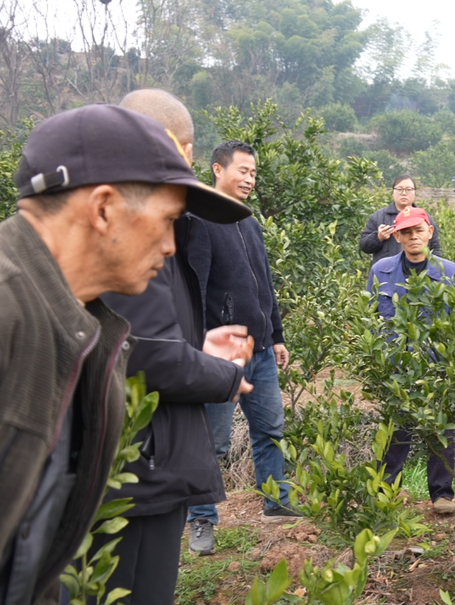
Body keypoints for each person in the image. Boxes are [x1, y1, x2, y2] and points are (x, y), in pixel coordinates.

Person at [0, 103, 242, 604]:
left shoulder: (77, 326)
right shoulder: (10, 316)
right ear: (104, 207)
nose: (173, 245)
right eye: (168, 219)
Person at [82, 90, 255, 603]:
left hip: (146, 462)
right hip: (137, 467)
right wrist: (224, 375)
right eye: (188, 147)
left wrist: (198, 346)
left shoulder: (146, 226)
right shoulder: (127, 232)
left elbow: (135, 337)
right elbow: (145, 357)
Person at [186, 141, 299, 555]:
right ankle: (201, 518)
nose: (250, 179)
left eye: (254, 173)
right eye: (243, 171)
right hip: (222, 355)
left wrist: (277, 334)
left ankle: (276, 501)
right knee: (210, 442)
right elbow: (194, 290)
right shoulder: (199, 220)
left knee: (270, 430)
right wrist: (200, 349)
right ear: (218, 169)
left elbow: (265, 285)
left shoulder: (249, 222)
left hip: (263, 350)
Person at [369, 206, 455, 515]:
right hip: (397, 369)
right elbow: (371, 318)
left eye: (418, 231)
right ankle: (387, 492)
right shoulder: (381, 270)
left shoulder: (452, 272)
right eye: (406, 232)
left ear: (430, 232)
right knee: (396, 432)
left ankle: (442, 495)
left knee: (440, 431)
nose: (413, 237)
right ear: (397, 236)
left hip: (438, 367)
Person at [360, 174, 441, 265]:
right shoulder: (378, 217)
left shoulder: (424, 218)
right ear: (393, 192)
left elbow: (435, 249)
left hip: (417, 273)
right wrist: (378, 237)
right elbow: (364, 246)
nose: (404, 193)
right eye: (399, 189)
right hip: (386, 273)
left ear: (415, 193)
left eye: (409, 189)